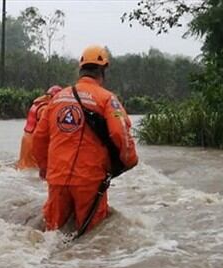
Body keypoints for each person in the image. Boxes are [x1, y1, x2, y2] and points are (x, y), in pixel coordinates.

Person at [32, 45, 138, 233]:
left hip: (57, 179)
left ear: (81, 70)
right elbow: (119, 132)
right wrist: (130, 160)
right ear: (103, 71)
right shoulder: (106, 99)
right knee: (92, 239)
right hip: (89, 181)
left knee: (52, 235)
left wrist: (45, 168)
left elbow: (39, 138)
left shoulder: (57, 99)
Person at [16, 85, 62, 169]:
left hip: (26, 138)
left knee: (25, 166)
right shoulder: (44, 109)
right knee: (35, 169)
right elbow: (47, 129)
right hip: (34, 140)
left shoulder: (38, 104)